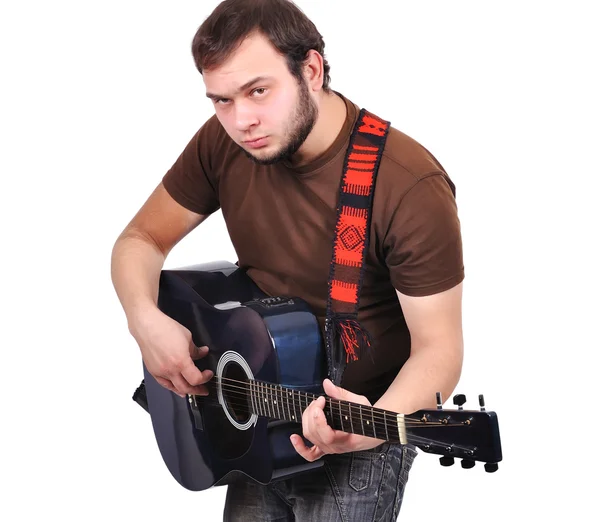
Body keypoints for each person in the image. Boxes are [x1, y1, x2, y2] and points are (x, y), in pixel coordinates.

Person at [111, 0, 465, 519]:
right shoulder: (226, 142)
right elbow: (139, 238)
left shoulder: (407, 185)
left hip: (360, 433)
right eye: (221, 101)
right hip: (252, 412)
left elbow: (440, 351)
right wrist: (144, 321)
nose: (241, 120)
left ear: (312, 70)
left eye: (258, 91)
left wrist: (367, 429)